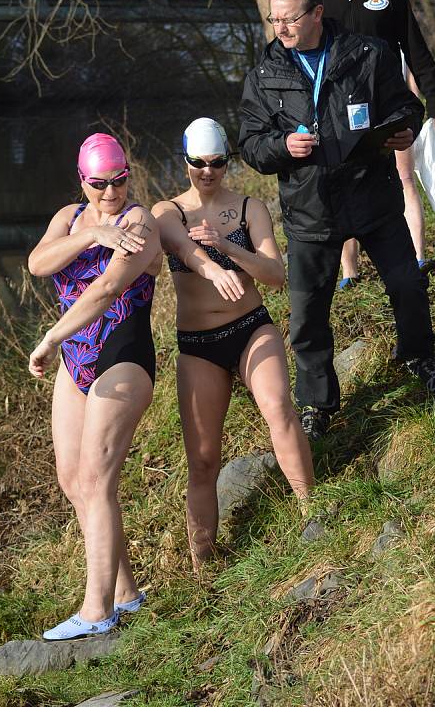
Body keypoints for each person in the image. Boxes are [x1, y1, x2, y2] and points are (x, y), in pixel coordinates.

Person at [238, 0, 435, 442]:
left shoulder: (368, 55)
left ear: (317, 13)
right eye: (274, 19)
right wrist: (281, 146)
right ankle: (317, 403)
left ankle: (420, 356)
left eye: (290, 18)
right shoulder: (265, 74)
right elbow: (250, 144)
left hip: (371, 197)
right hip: (310, 210)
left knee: (406, 284)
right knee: (308, 313)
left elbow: (405, 107)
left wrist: (403, 128)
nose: (281, 28)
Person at [152, 117, 314, 570]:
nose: (208, 171)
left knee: (280, 409)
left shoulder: (249, 207)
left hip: (250, 327)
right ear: (184, 161)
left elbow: (276, 276)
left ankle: (312, 513)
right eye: (198, 163)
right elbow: (182, 247)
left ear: (229, 160)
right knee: (203, 460)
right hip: (198, 343)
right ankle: (203, 564)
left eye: (218, 162)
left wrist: (230, 248)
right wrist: (209, 262)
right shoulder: (169, 211)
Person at [28, 133, 161, 640]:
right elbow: (38, 263)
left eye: (120, 180)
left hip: (123, 355)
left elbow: (107, 289)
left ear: (129, 175)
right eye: (100, 184)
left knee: (97, 478)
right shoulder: (69, 217)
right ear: (83, 182)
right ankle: (126, 593)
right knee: (72, 481)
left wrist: (49, 338)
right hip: (76, 362)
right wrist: (90, 237)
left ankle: (95, 611)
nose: (111, 192)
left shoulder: (140, 222)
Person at [319, 0, 435, 286]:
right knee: (343, 181)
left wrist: (434, 97)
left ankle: (418, 255)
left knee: (404, 176)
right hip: (339, 105)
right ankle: (350, 271)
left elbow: (414, 44)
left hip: (387, 99)